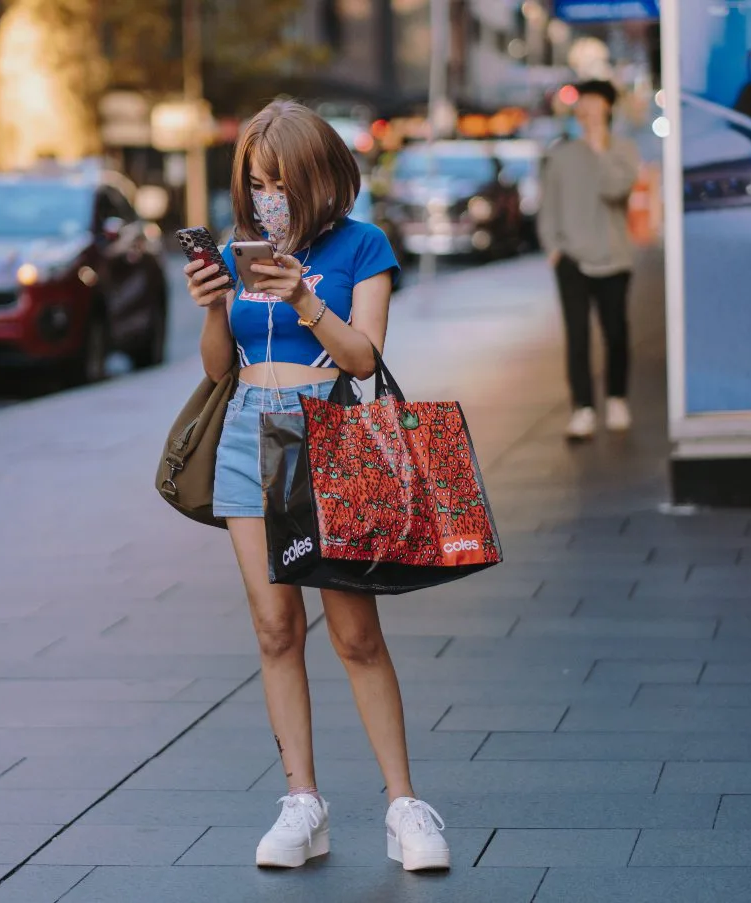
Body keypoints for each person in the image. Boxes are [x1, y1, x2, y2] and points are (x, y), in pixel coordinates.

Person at [183, 99, 450, 872]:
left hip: (328, 433)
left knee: (355, 633)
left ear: (320, 177)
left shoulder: (363, 246)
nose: (268, 196)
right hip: (244, 435)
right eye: (257, 182)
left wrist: (304, 297)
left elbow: (364, 358)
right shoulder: (239, 255)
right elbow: (215, 367)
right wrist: (211, 307)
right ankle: (302, 802)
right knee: (275, 630)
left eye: (282, 181)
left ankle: (404, 805)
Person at [537, 79, 641, 440]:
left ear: (608, 107)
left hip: (614, 258)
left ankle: (617, 398)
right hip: (571, 260)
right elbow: (548, 206)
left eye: (595, 101)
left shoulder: (624, 150)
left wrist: (600, 148)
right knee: (577, 337)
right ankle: (583, 408)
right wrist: (553, 247)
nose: (587, 108)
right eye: (583, 102)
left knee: (616, 333)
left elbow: (615, 190)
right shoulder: (561, 154)